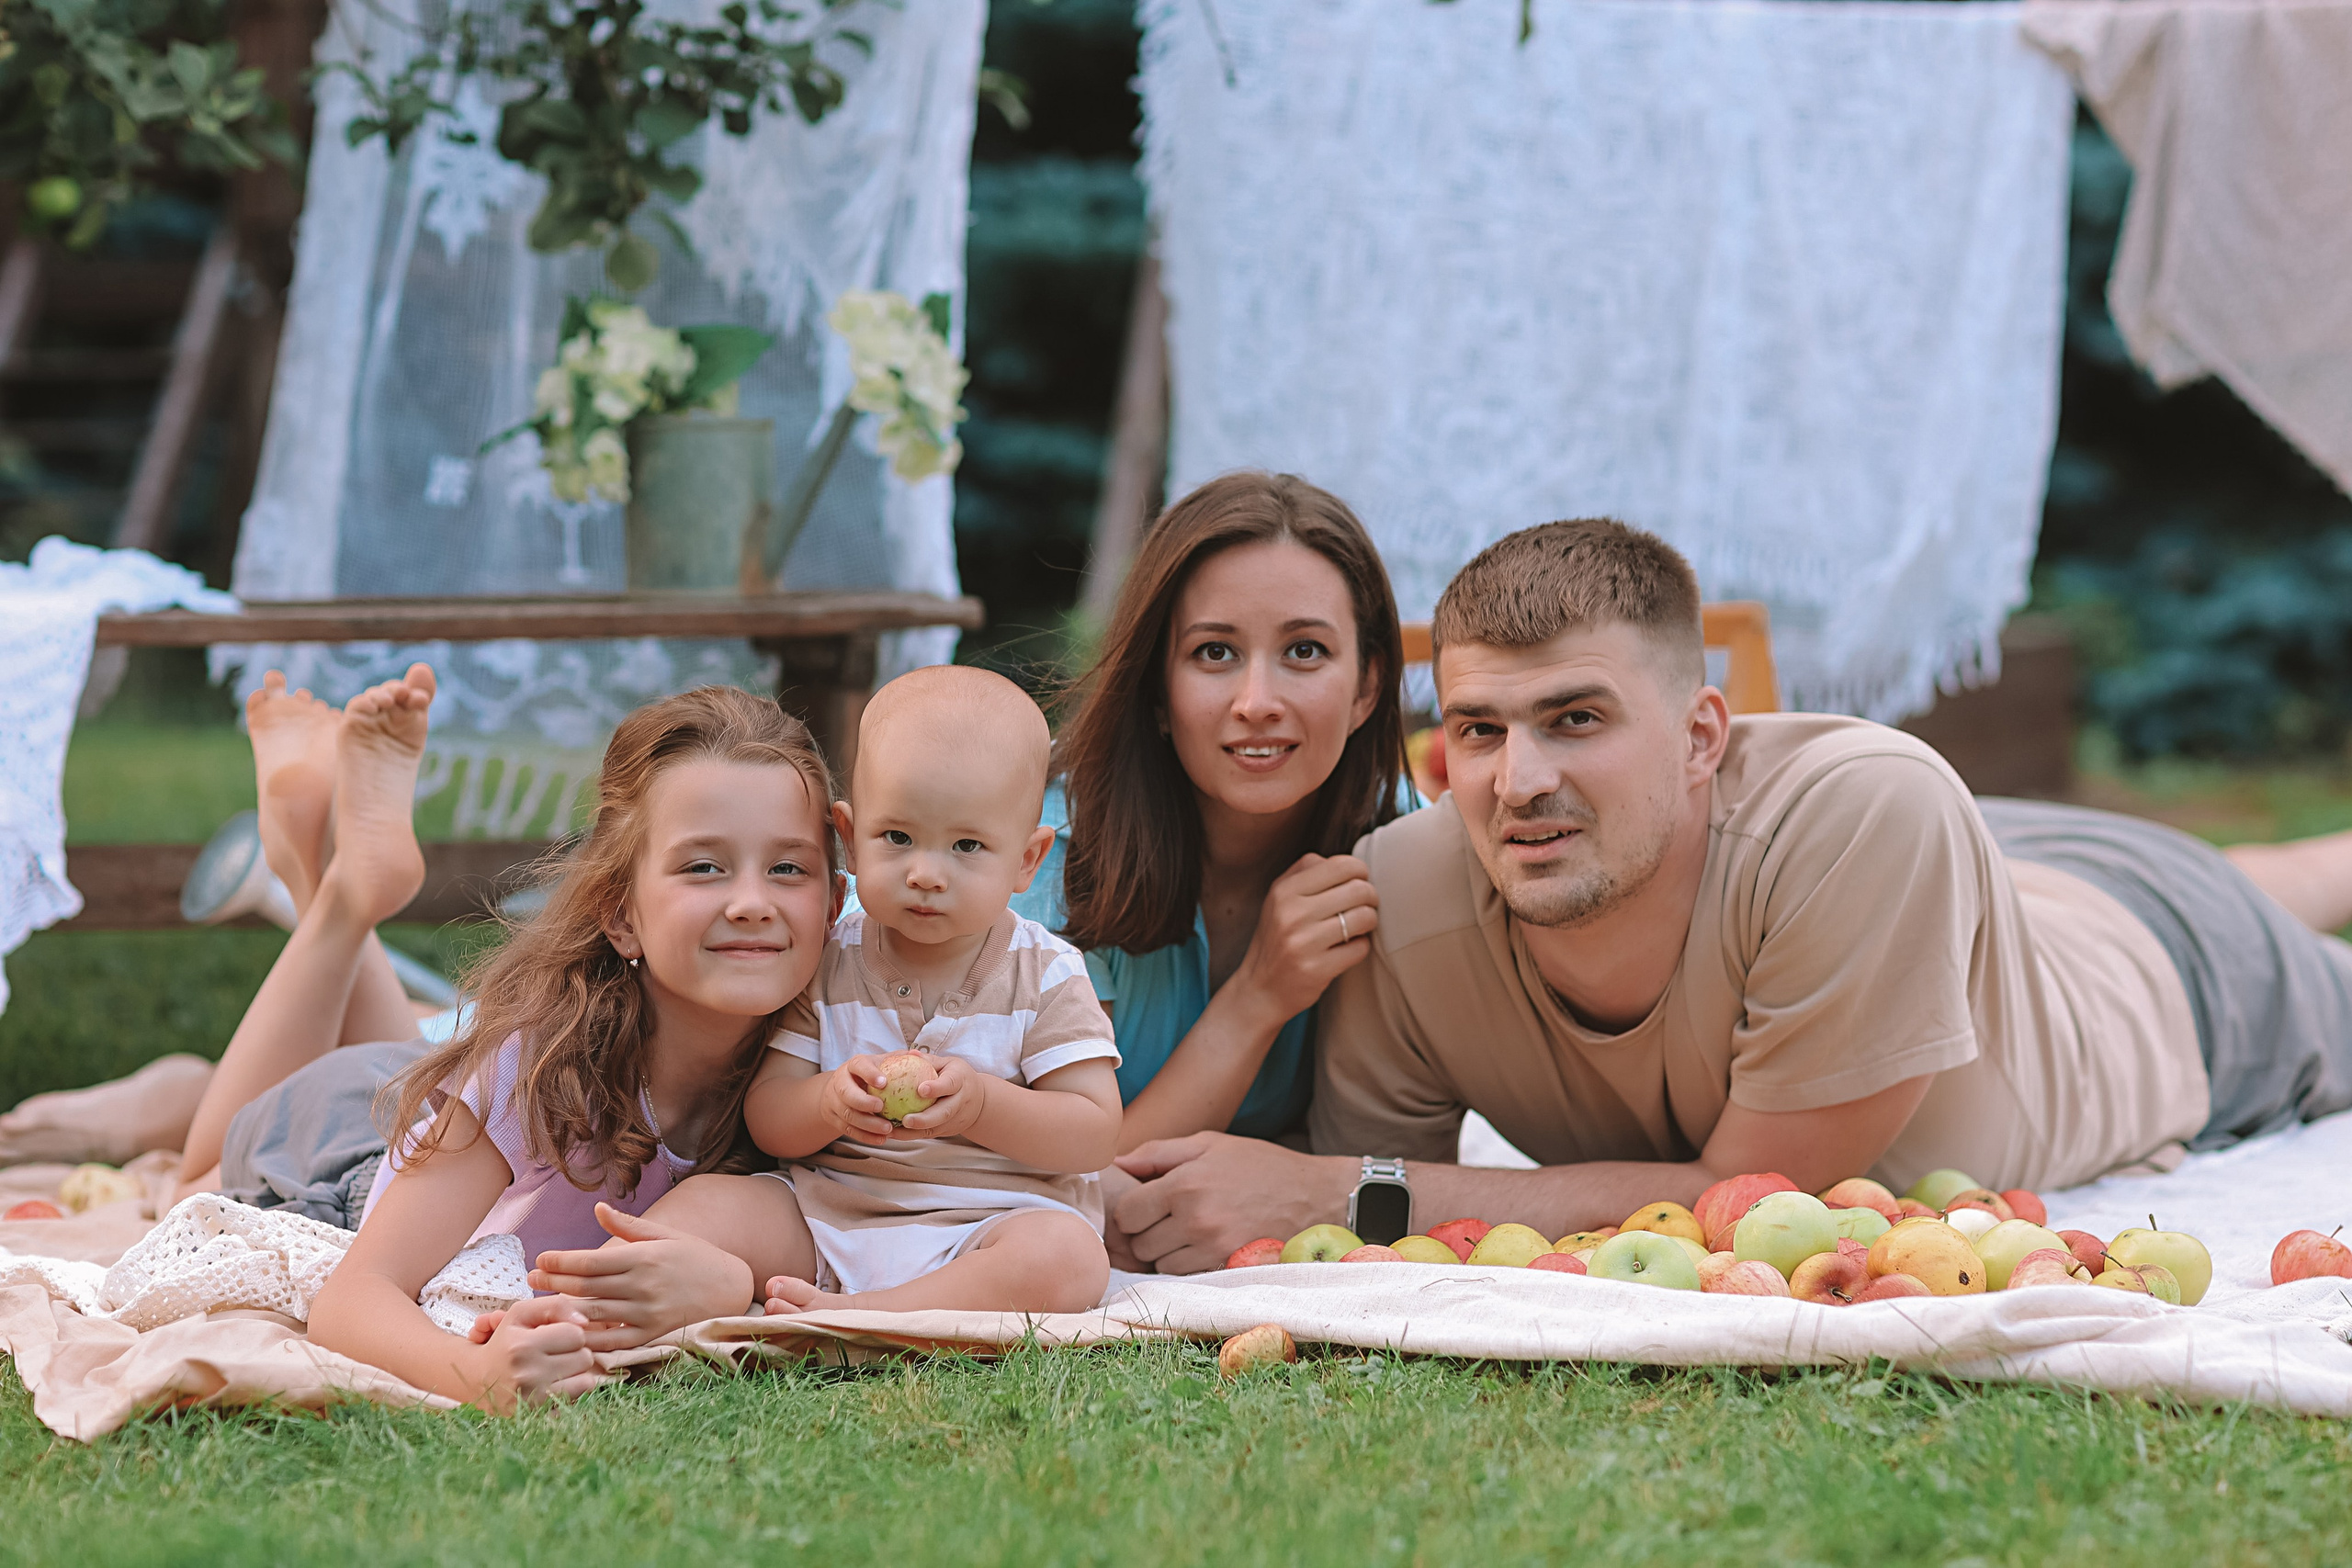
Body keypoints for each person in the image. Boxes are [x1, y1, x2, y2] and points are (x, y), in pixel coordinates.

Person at [1110, 518, 2352, 1271]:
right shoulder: (1401, 895)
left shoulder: (1869, 812)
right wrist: (1344, 1193)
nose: (1518, 781)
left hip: (2173, 977)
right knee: (2273, 868)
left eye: (1576, 718)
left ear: (1704, 734)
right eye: (1480, 729)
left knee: (2283, 890)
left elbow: (1757, 1194)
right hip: (1978, 882)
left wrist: (1346, 1193)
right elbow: (1386, 1231)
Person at [303, 674, 843, 1408]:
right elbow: (351, 1295)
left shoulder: (831, 1065)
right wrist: (473, 1374)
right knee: (201, 1152)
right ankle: (328, 883)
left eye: (787, 868)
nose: (752, 902)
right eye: (703, 867)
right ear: (620, 916)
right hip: (342, 1160)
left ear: (833, 901)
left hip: (430, 1098)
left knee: (405, 1048)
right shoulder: (539, 1069)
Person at [1017, 471, 1411, 1261]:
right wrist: (1261, 993)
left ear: (1368, 685)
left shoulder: (1406, 843)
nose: (1256, 700)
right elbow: (1056, 1185)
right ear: (1157, 689)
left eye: (1305, 650)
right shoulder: (1038, 855)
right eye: (1215, 652)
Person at [674, 664, 1126, 1315]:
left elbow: (1093, 1134)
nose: (926, 873)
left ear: (1027, 859)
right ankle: (605, 1287)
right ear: (850, 839)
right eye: (898, 837)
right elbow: (769, 1116)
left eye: (967, 844)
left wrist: (981, 1106)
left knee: (1068, 1258)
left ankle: (868, 1316)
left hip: (989, 1229)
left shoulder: (1045, 973)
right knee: (707, 1203)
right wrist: (829, 1101)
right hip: (831, 1213)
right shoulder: (831, 957)